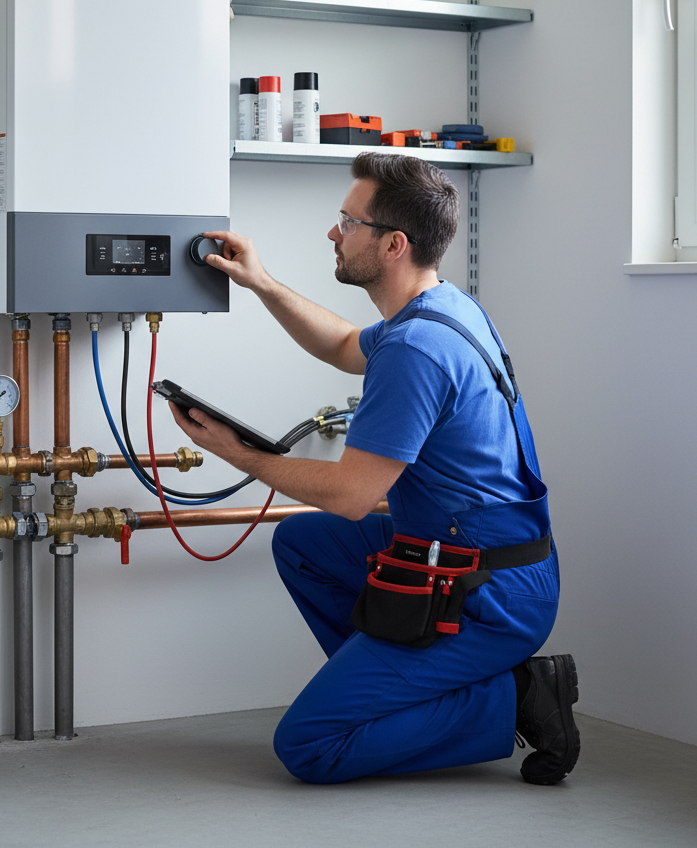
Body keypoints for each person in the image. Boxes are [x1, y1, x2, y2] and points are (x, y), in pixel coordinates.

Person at [168, 152, 579, 786]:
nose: (334, 232)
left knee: (309, 746)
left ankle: (516, 695)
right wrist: (263, 282)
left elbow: (354, 496)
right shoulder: (440, 308)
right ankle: (402, 691)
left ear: (392, 244)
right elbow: (339, 345)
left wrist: (239, 453)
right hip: (477, 553)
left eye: (347, 221)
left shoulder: (417, 348)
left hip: (488, 590)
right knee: (304, 543)